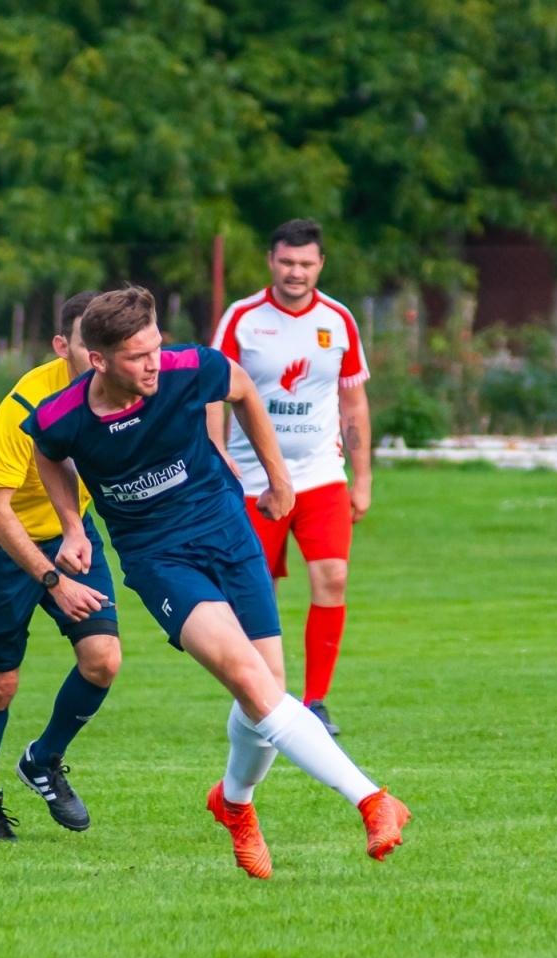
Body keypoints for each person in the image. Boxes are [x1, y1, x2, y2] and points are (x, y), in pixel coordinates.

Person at [24, 286, 408, 879]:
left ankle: (234, 805)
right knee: (256, 688)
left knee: (268, 689)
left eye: (154, 347)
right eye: (136, 355)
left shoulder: (186, 368)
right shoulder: (63, 416)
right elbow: (47, 453)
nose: (153, 362)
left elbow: (244, 389)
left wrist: (279, 478)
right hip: (159, 560)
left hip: (228, 532)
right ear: (98, 361)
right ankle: (372, 800)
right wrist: (73, 524)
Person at [0, 291, 121, 842]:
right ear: (61, 346)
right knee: (1, 683)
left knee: (103, 660)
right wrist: (53, 579)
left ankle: (42, 760)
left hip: (71, 532)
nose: (101, 356)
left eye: (109, 344)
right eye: (87, 344)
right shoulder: (24, 406)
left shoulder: (126, 391)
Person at [209, 219, 371, 736]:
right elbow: (214, 392)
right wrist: (217, 453)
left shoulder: (339, 319)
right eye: (286, 262)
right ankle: (266, 699)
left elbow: (353, 401)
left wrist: (362, 477)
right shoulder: (242, 318)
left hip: (323, 476)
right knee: (259, 589)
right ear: (270, 261)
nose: (295, 271)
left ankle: (316, 701)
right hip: (254, 482)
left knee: (333, 577)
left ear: (320, 264)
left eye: (305, 263)